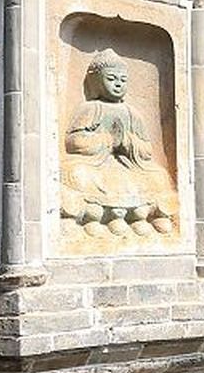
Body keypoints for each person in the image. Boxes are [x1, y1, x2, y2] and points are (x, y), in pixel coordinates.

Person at [59, 49, 175, 237]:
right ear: (96, 81)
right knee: (75, 173)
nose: (118, 84)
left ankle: (142, 217)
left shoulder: (131, 113)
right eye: (111, 79)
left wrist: (128, 143)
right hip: (96, 165)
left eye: (122, 80)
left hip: (128, 165)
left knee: (160, 176)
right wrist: (107, 140)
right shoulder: (90, 108)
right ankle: (96, 218)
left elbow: (146, 150)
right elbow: (73, 141)